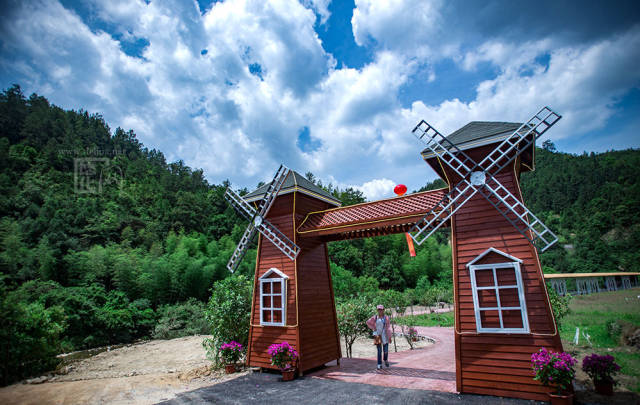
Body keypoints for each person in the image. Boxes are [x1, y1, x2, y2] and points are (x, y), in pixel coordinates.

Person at [366, 304, 392, 369]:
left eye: (381, 309)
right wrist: (373, 328)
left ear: (383, 310)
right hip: (377, 335)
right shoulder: (375, 317)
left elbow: (388, 327)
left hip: (385, 335)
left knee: (385, 351)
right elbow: (368, 322)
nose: (380, 311)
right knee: (379, 350)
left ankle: (385, 359)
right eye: (379, 309)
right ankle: (379, 364)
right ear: (377, 310)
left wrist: (389, 337)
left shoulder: (386, 318)